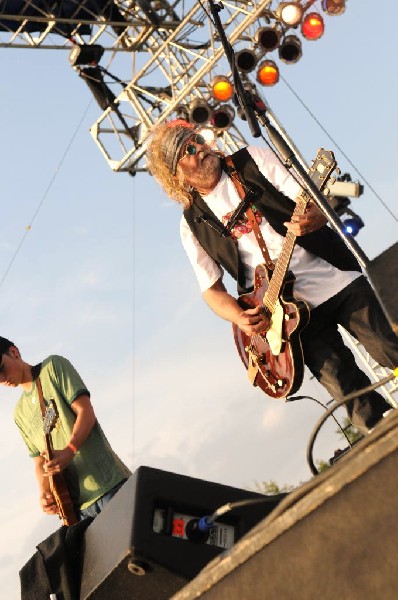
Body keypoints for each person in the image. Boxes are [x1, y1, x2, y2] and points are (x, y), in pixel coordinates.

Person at [146, 120, 398, 434]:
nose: (200, 149)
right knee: (349, 393)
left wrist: (315, 217)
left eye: (197, 140)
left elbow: (311, 200)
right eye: (188, 150)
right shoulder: (191, 223)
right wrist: (240, 317)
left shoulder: (251, 160)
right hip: (284, 316)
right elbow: (211, 290)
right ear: (177, 174)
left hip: (332, 276)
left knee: (389, 345)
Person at [0, 336, 131, 521]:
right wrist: (44, 494)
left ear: (14, 352)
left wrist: (69, 451)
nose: (2, 379)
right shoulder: (19, 413)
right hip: (77, 512)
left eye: (1, 369)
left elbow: (86, 411)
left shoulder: (53, 366)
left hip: (109, 487)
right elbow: (38, 461)